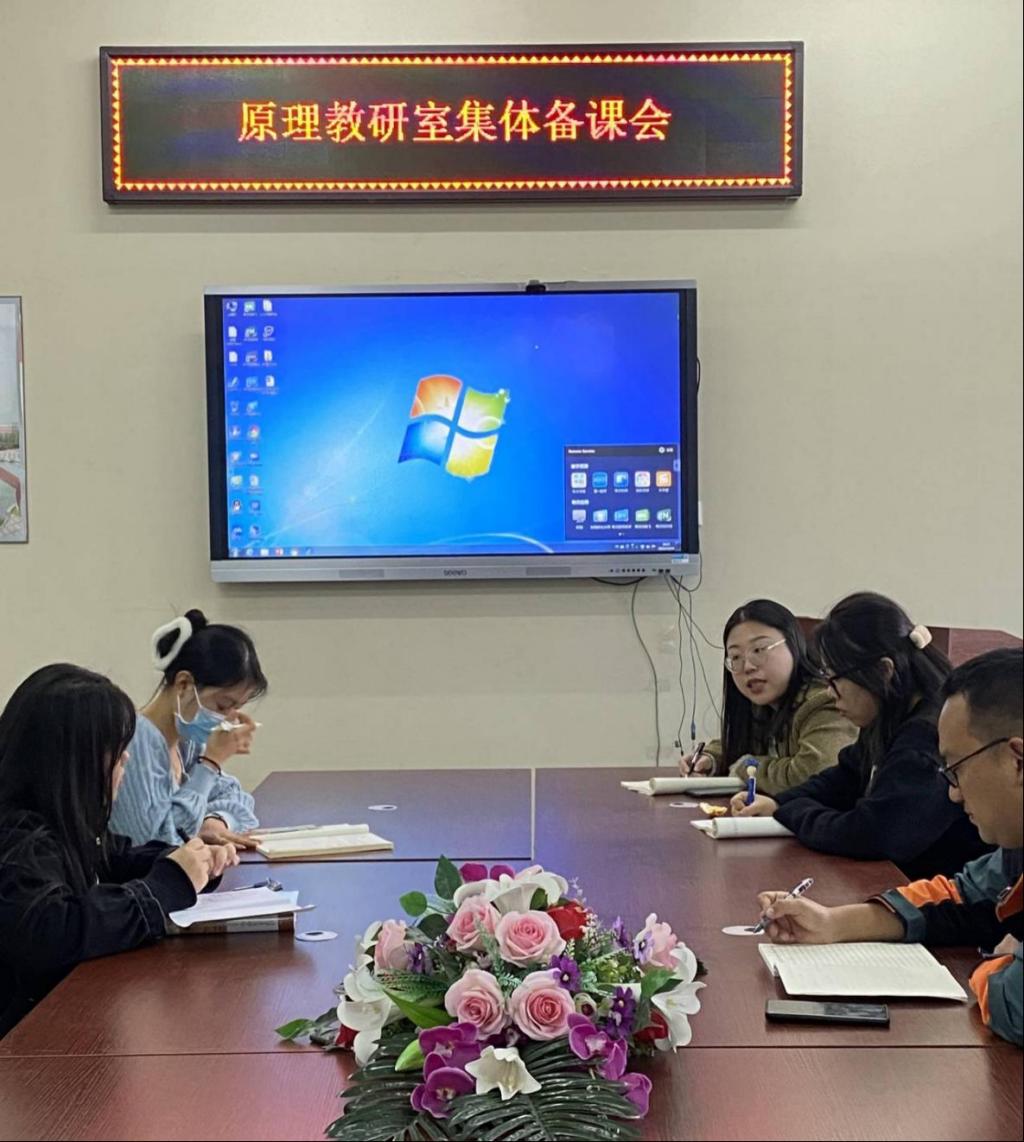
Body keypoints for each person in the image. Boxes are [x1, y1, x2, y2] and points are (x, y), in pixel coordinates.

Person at [756, 647, 1022, 1047]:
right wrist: (833, 923)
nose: (952, 793)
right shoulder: (1014, 849)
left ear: (1017, 761)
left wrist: (1001, 959)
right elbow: (959, 892)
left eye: (957, 768)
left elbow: (1014, 1006)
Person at [0, 664, 235, 1037]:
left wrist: (191, 863)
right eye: (115, 751)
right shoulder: (18, 836)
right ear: (70, 761)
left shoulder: (63, 823)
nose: (125, 761)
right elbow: (52, 932)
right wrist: (168, 884)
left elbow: (116, 858)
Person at [731, 592, 990, 879]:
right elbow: (844, 776)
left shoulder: (925, 737)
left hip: (941, 893)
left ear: (883, 670)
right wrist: (780, 803)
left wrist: (793, 812)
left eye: (835, 679)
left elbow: (871, 835)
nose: (830, 692)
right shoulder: (890, 716)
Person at [109, 609, 266, 848]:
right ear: (183, 684)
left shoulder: (186, 742)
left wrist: (216, 821)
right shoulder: (135, 742)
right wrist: (211, 763)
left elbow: (235, 796)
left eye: (237, 708)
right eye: (223, 705)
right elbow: (155, 844)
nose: (228, 719)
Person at [679, 599, 857, 795]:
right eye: (736, 657)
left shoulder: (824, 702)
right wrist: (710, 758)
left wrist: (748, 767)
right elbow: (745, 742)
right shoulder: (766, 706)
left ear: (794, 645)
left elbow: (813, 773)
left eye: (759, 650)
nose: (748, 666)